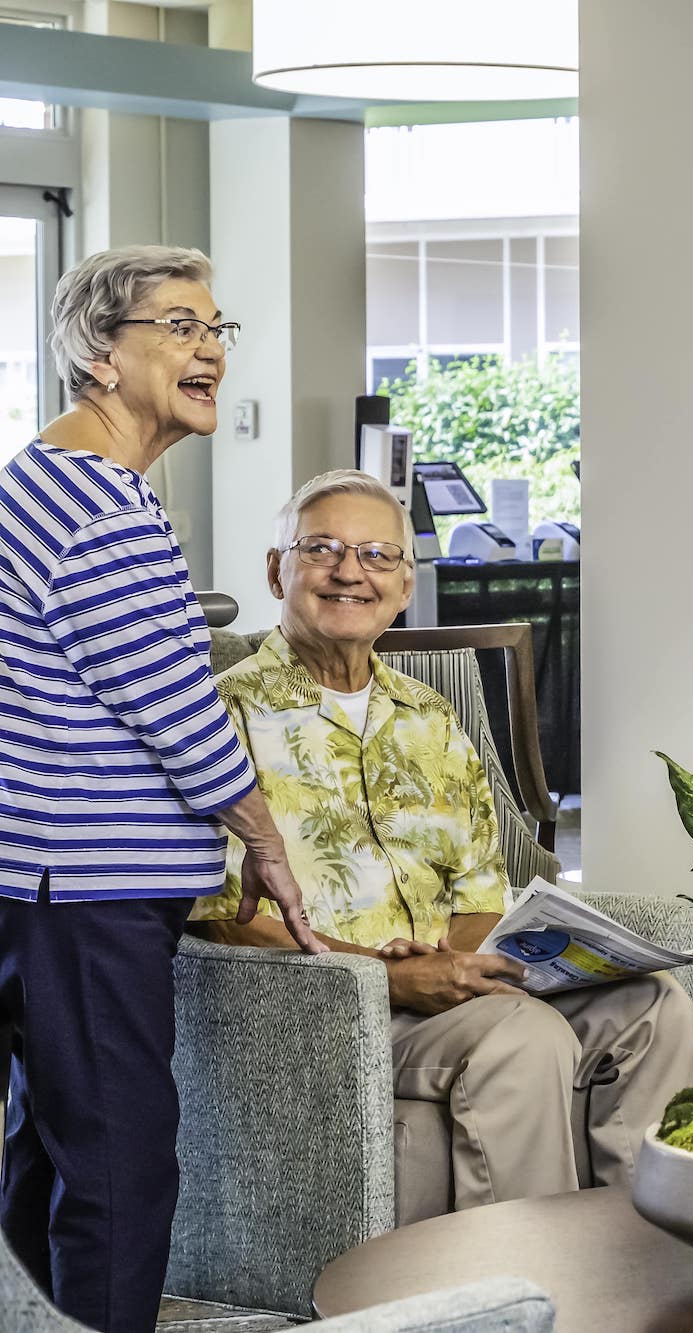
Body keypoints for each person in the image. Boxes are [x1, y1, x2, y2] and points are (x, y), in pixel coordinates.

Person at [188, 470, 693, 1208]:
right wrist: (391, 977)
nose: (349, 571)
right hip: (323, 1002)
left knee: (652, 1007)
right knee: (525, 1037)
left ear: (403, 585)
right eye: (322, 547)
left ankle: (644, 1264)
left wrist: (455, 967)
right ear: (277, 569)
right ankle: (529, 1295)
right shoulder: (217, 718)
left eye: (376, 555)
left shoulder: (432, 717)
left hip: (442, 991)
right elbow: (223, 920)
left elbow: (478, 891)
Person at [0, 246, 323, 1333]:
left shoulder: (49, 480)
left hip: (50, 883)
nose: (211, 352)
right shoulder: (95, 502)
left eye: (217, 329)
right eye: (180, 326)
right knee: (120, 1167)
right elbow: (178, 712)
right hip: (85, 891)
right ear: (100, 355)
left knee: (57, 1152)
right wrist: (265, 841)